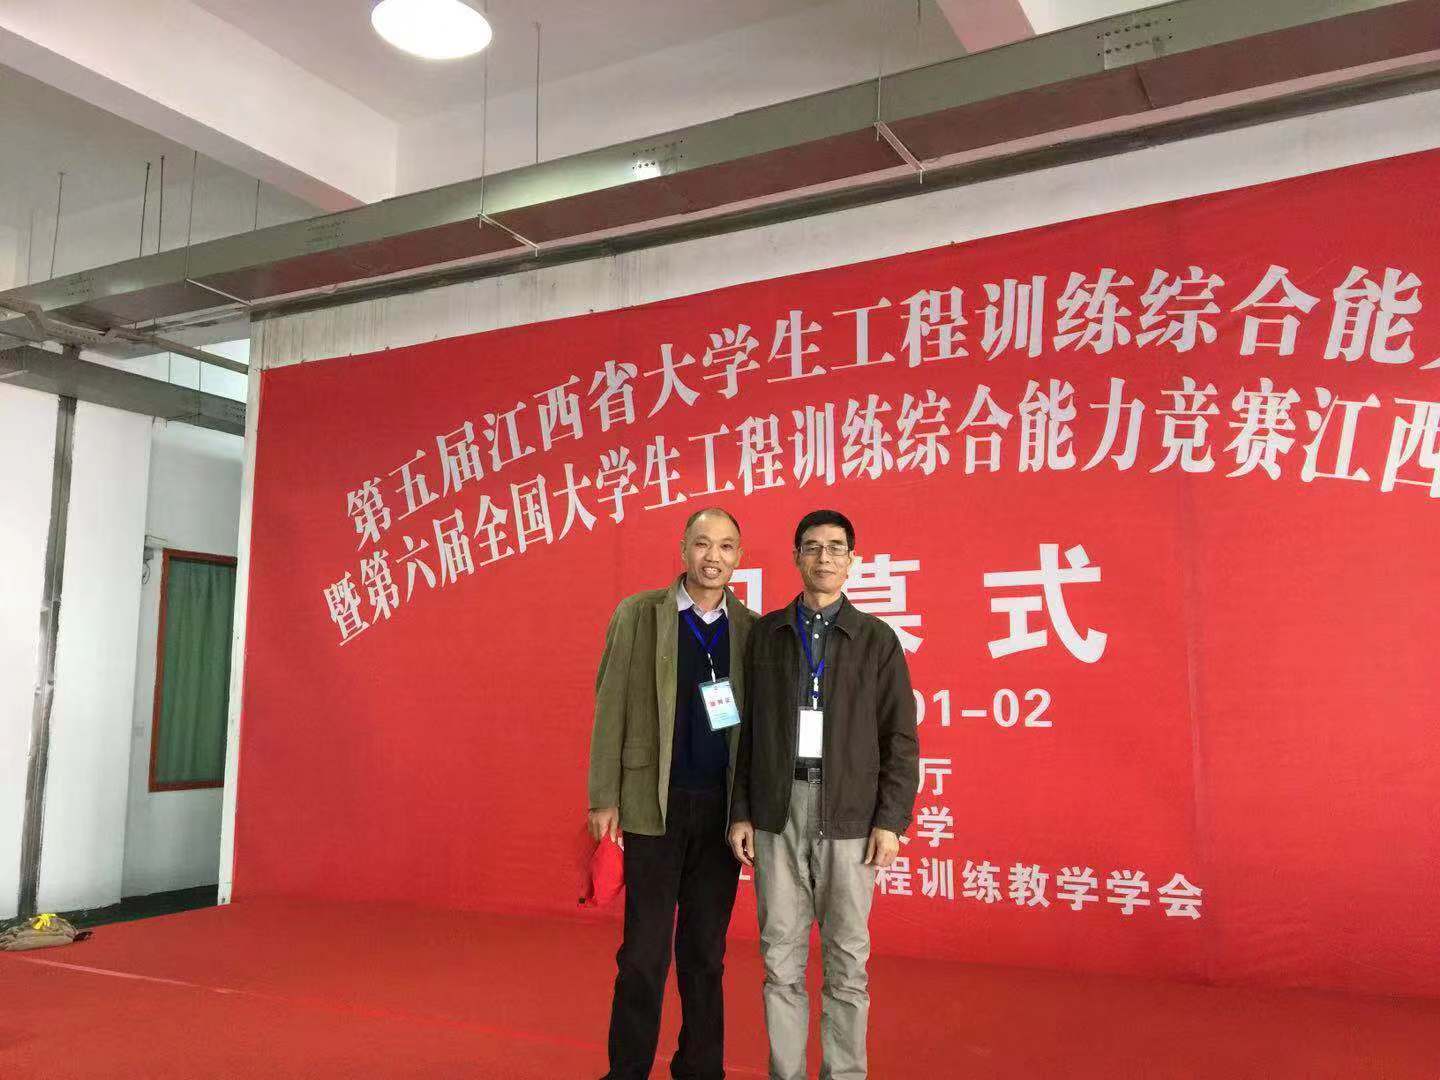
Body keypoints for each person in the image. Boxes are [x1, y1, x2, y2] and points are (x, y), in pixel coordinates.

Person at [727, 509, 919, 1080]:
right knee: (780, 958)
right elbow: (746, 731)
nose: (824, 557)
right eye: (812, 547)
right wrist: (741, 811)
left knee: (847, 962)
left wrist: (891, 820)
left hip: (851, 816)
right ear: (796, 558)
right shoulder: (767, 635)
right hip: (777, 811)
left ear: (852, 560)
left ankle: (844, 1074)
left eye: (836, 547)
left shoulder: (876, 640)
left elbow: (900, 737)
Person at [588, 507, 758, 1080]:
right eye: (703, 544)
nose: (714, 557)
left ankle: (700, 1068)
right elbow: (610, 705)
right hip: (650, 807)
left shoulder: (750, 628)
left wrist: (749, 810)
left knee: (705, 954)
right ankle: (627, 1070)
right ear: (683, 549)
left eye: (727, 546)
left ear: (739, 557)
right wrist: (603, 797)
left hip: (720, 814)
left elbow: (756, 730)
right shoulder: (639, 614)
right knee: (643, 954)